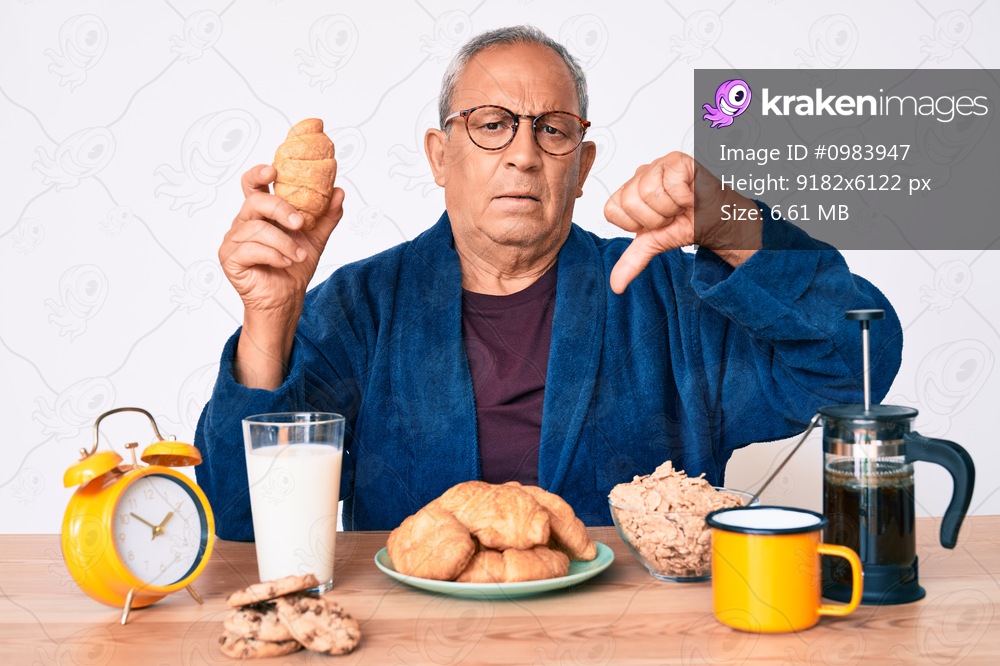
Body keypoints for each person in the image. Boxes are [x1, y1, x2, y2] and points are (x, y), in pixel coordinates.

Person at [195, 25, 902, 541]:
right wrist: (270, 319)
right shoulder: (361, 308)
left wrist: (729, 222)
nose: (525, 156)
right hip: (414, 639)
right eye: (492, 125)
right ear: (440, 156)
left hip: (628, 638)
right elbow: (240, 517)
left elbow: (857, 362)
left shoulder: (666, 302)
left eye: (554, 130)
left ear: (583, 163)